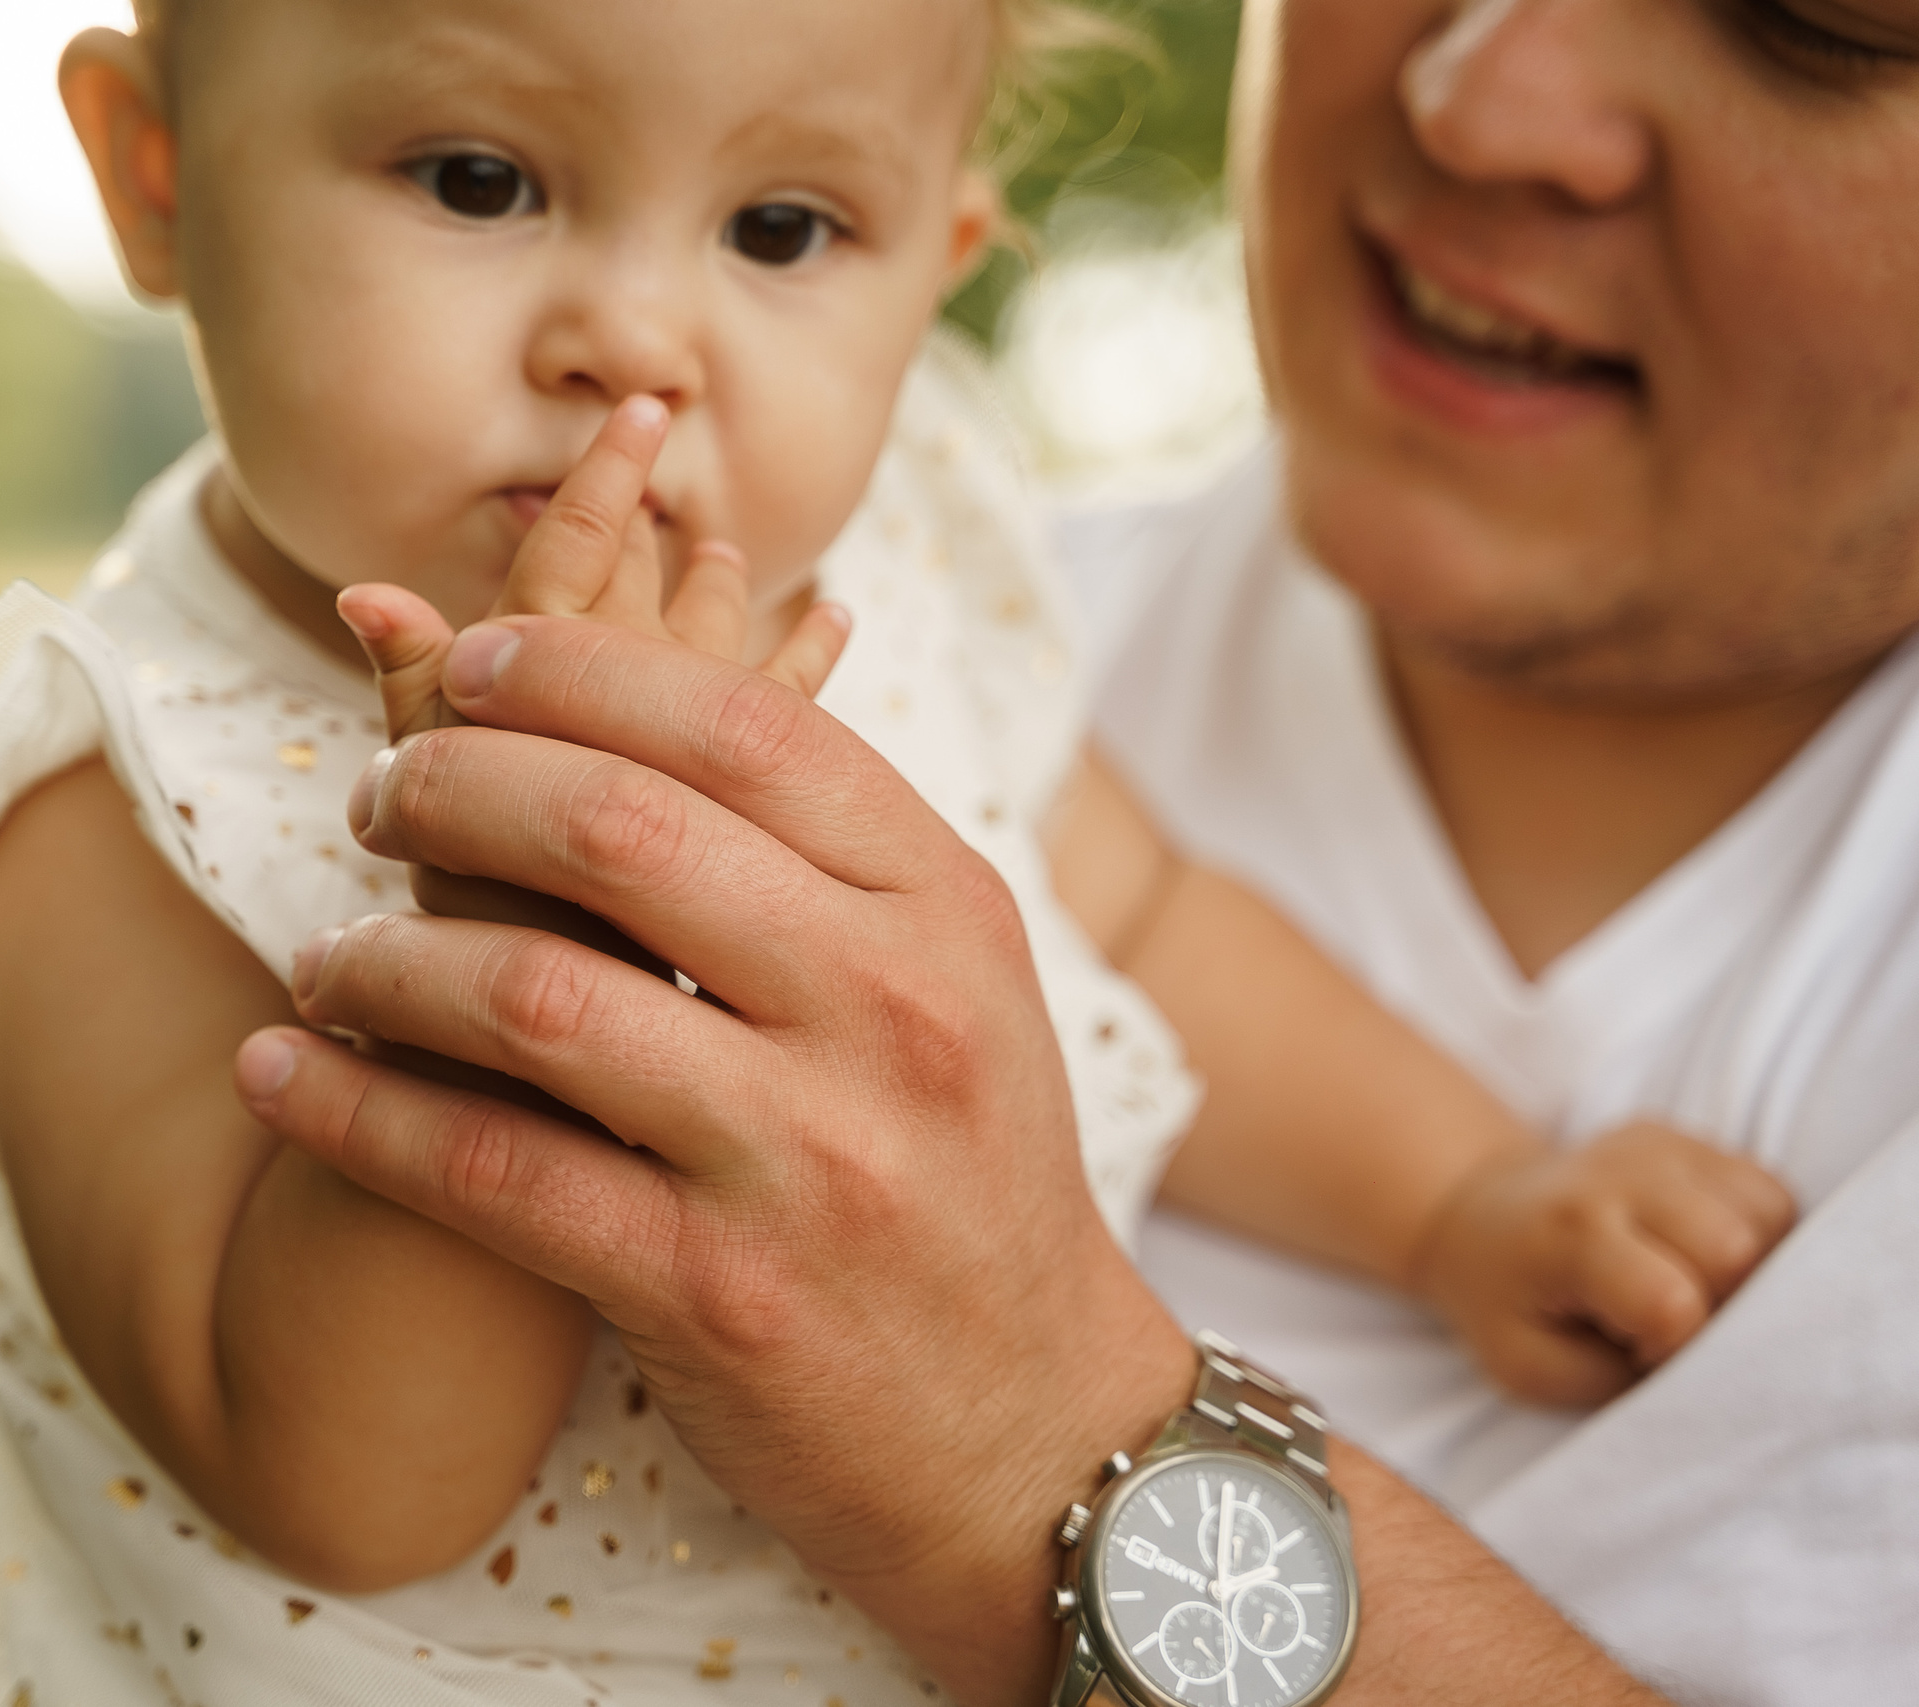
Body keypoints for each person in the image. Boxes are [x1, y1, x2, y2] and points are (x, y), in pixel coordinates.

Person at [233, 0, 1919, 1703]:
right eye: (472, 179)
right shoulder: (139, 743)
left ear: (936, 255)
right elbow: (337, 1486)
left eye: (1823, 25)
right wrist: (531, 962)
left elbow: (1159, 939)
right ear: (154, 181)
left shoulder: (944, 614)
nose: (634, 334)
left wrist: (1448, 1206)